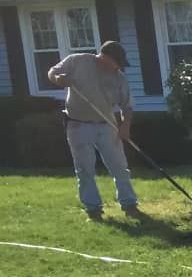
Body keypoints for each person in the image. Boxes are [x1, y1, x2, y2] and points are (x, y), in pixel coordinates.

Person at [48, 40, 140, 220]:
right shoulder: (77, 61)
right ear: (105, 57)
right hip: (78, 125)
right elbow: (53, 72)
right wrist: (58, 79)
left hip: (107, 126)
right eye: (117, 62)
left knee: (119, 167)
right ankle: (93, 209)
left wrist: (125, 126)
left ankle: (129, 204)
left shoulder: (119, 78)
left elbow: (127, 105)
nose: (118, 67)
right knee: (84, 169)